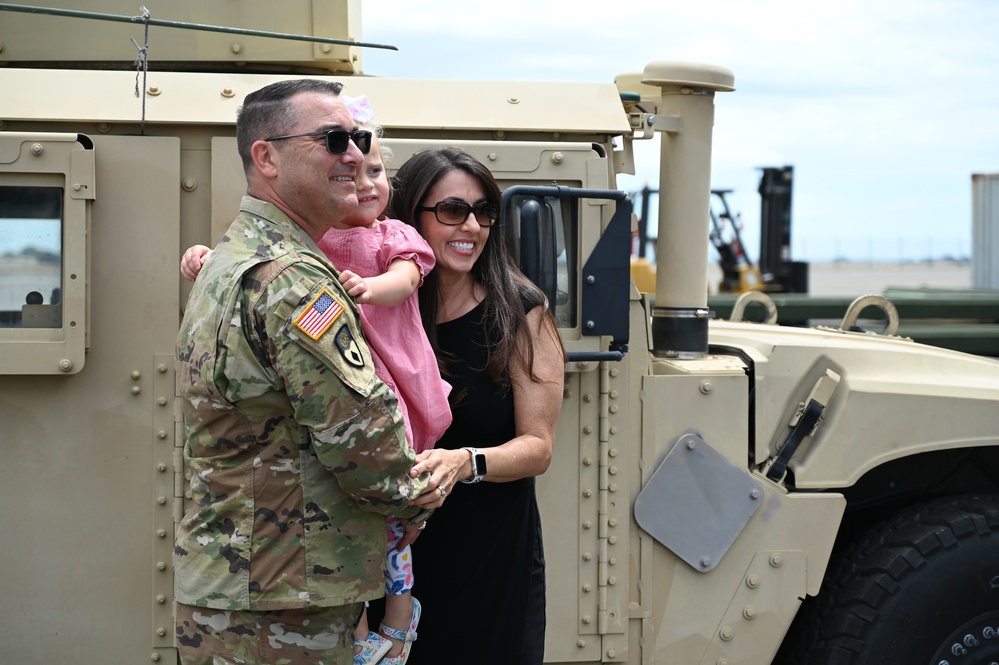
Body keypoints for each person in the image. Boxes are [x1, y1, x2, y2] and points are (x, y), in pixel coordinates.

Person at [174, 79, 441, 665]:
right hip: (285, 605)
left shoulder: (234, 258)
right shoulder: (294, 281)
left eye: (359, 138)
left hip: (247, 590)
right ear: (265, 157)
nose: (352, 154)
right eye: (332, 138)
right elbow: (362, 443)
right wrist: (424, 493)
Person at [388, 147, 566, 665]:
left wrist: (465, 461)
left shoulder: (522, 313)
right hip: (392, 555)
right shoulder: (380, 305)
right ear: (409, 216)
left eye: (484, 211)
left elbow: (538, 447)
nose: (472, 225)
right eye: (451, 210)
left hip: (491, 559)